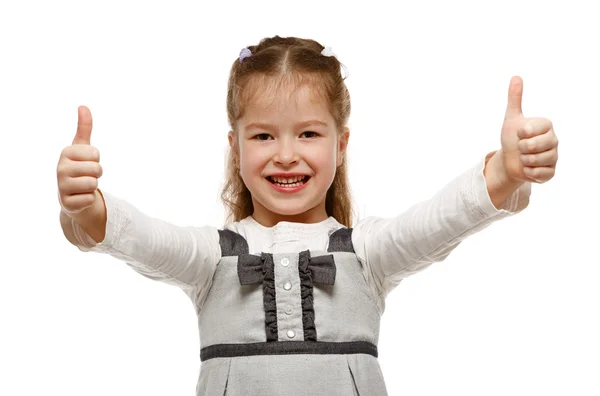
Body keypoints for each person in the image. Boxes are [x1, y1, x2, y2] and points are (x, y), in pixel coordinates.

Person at [56, 35, 559, 395]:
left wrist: (505, 174)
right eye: (263, 136)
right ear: (236, 148)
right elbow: (141, 239)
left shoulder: (367, 253)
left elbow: (439, 221)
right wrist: (87, 205)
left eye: (309, 134)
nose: (286, 154)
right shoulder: (210, 259)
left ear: (341, 145)